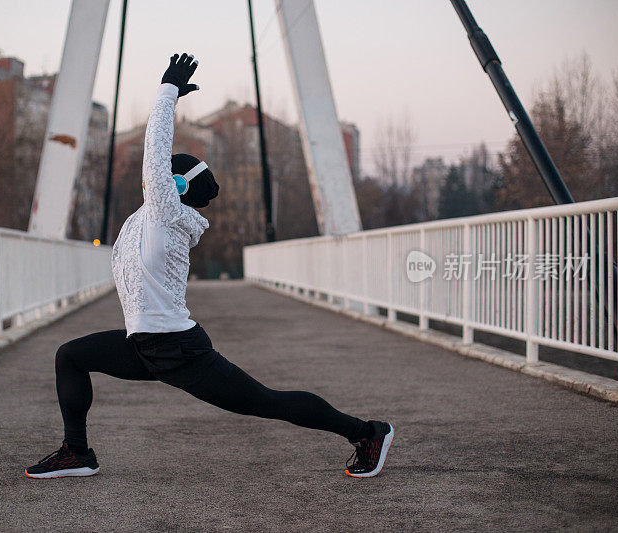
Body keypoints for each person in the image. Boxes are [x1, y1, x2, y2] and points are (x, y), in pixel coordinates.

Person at [25, 53, 393, 480]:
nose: (152, 178)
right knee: (70, 356)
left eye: (162, 176)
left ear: (174, 185)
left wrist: (167, 93)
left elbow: (154, 154)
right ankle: (77, 452)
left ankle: (367, 433)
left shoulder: (170, 217)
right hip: (144, 345)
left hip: (178, 350)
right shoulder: (143, 218)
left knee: (267, 401)